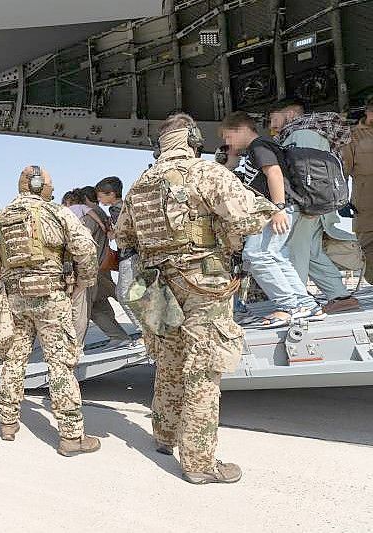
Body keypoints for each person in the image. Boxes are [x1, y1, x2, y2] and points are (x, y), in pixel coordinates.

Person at [117, 113, 276, 484]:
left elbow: (123, 236)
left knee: (169, 360)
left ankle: (164, 434)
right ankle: (200, 463)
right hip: (204, 280)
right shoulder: (207, 173)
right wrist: (272, 208)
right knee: (203, 367)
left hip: (157, 283)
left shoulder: (140, 184)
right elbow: (247, 216)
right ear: (192, 139)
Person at [0, 166, 101, 456]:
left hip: (15, 299)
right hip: (51, 297)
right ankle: (70, 436)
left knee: (14, 360)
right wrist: (84, 282)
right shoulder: (58, 212)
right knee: (60, 364)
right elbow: (85, 249)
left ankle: (7, 422)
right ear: (39, 186)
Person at [221, 111, 324, 327]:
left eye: (228, 137)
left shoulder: (258, 146)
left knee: (256, 254)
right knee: (276, 256)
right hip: (283, 207)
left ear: (240, 130)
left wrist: (277, 208)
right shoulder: (261, 146)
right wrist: (231, 159)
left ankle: (289, 306)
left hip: (276, 208)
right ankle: (307, 306)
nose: (227, 142)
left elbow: (274, 174)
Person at [271, 102, 359, 313]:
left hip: (308, 203)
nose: (271, 124)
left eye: (273, 118)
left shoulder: (300, 133)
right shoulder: (315, 131)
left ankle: (297, 302)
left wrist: (307, 205)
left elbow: (305, 172)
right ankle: (340, 296)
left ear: (290, 114)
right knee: (311, 252)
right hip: (318, 201)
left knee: (295, 251)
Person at [73, 184, 131, 346]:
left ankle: (76, 346)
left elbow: (81, 240)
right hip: (99, 266)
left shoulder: (89, 216)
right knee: (99, 306)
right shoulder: (98, 213)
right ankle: (118, 337)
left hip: (95, 268)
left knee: (120, 298)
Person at [95, 176, 143, 333]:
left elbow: (122, 232)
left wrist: (111, 233)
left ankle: (143, 330)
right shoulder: (126, 206)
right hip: (136, 255)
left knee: (123, 295)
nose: (99, 199)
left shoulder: (116, 209)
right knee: (137, 294)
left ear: (111, 194)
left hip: (128, 255)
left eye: (100, 195)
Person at [344, 97, 373, 283]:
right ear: (367, 111)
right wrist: (341, 199)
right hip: (365, 202)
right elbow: (343, 169)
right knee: (368, 247)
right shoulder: (353, 136)